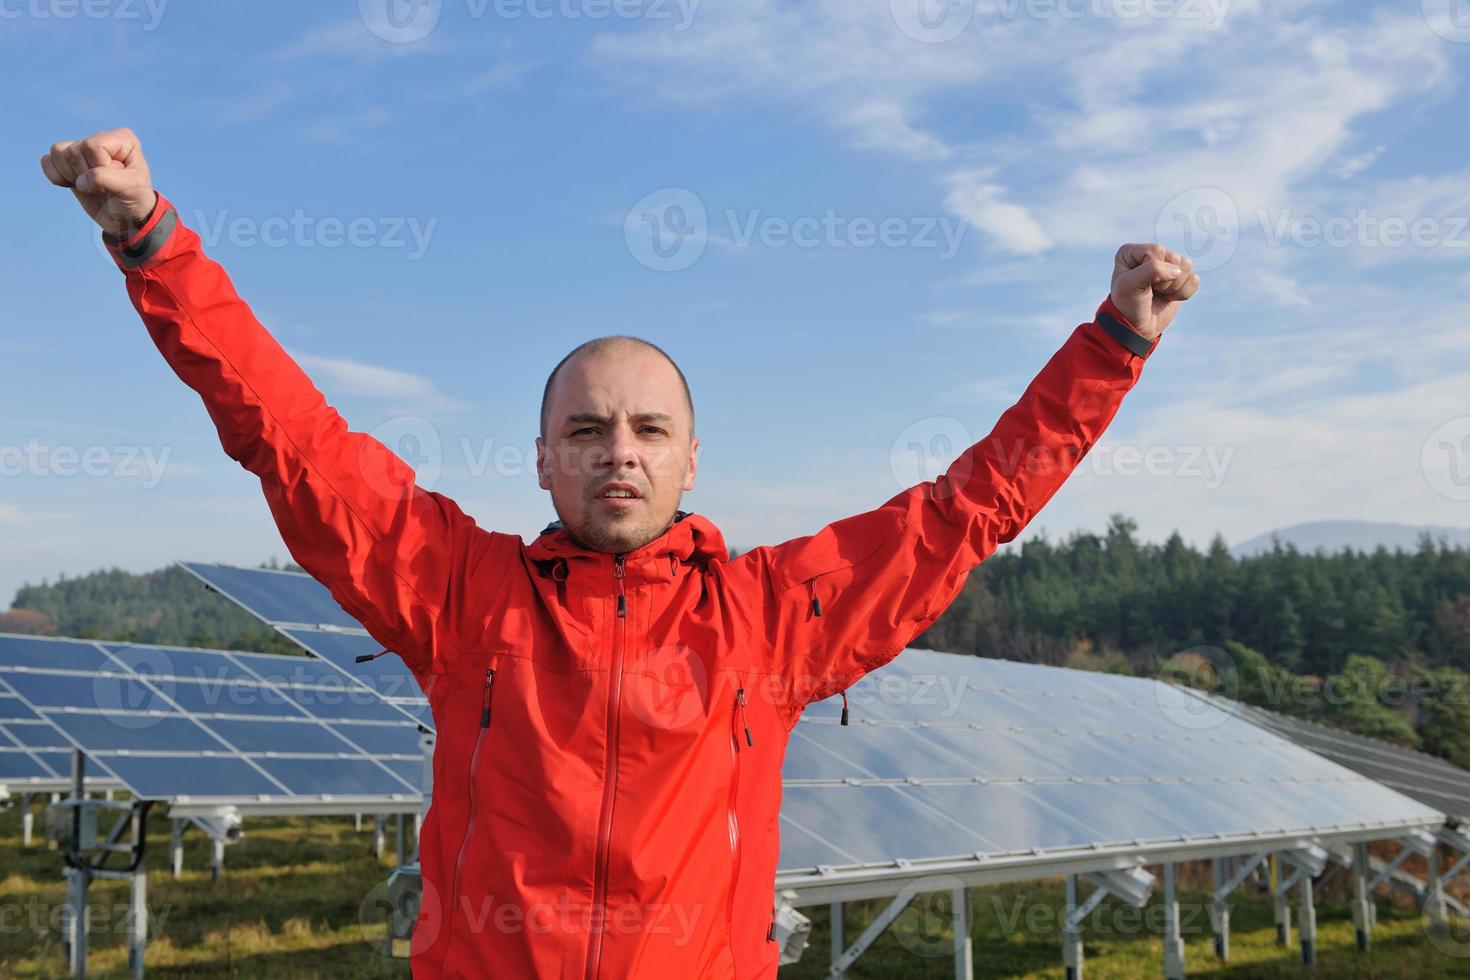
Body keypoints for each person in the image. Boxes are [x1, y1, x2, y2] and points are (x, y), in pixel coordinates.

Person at [42, 129, 1200, 979]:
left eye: (648, 430)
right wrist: (151, 239)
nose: (619, 455)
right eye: (586, 430)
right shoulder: (460, 592)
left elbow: (966, 509)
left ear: (692, 459)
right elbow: (287, 433)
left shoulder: (771, 617)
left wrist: (1111, 345)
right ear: (542, 458)